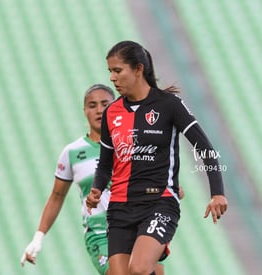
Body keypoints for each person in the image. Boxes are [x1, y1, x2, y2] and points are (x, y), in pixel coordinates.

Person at [86, 40, 228, 275]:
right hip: (120, 207)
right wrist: (97, 189)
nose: (112, 78)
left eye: (117, 70)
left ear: (139, 69)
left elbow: (205, 147)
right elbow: (105, 162)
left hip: (159, 202)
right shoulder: (112, 112)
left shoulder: (169, 105)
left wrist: (218, 192)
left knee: (139, 269)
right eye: (110, 71)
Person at [20, 84, 167, 275]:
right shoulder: (72, 152)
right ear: (84, 111)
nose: (99, 110)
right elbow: (57, 196)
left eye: (105, 104)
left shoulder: (137, 144)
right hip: (101, 235)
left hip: (141, 228)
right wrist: (38, 238)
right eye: (92, 105)